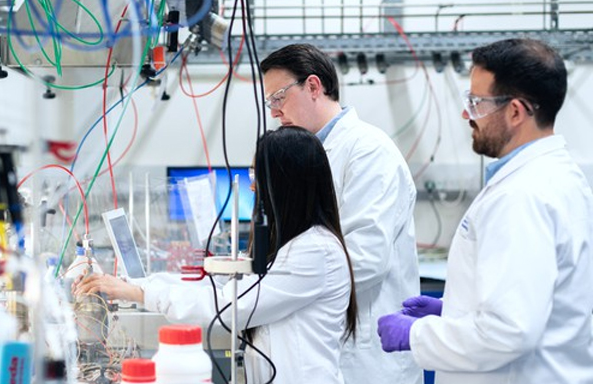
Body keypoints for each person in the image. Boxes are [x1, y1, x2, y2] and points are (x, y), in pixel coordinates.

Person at [376, 38, 593, 383]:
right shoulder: (558, 176)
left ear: (516, 111)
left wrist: (416, 336)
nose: (466, 114)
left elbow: (509, 332)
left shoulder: (522, 196)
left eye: (477, 103)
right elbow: (537, 299)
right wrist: (456, 310)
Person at [76, 126, 358, 384]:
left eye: (256, 176)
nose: (252, 186)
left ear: (285, 184)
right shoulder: (294, 244)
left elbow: (230, 306)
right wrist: (139, 285)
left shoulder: (315, 251)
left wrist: (140, 294)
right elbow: (228, 287)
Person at [260, 44, 422, 384]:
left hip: (366, 357)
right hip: (326, 346)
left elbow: (366, 258)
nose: (274, 112)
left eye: (279, 98)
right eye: (270, 103)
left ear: (314, 87)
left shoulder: (368, 152)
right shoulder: (307, 154)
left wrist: (278, 287)